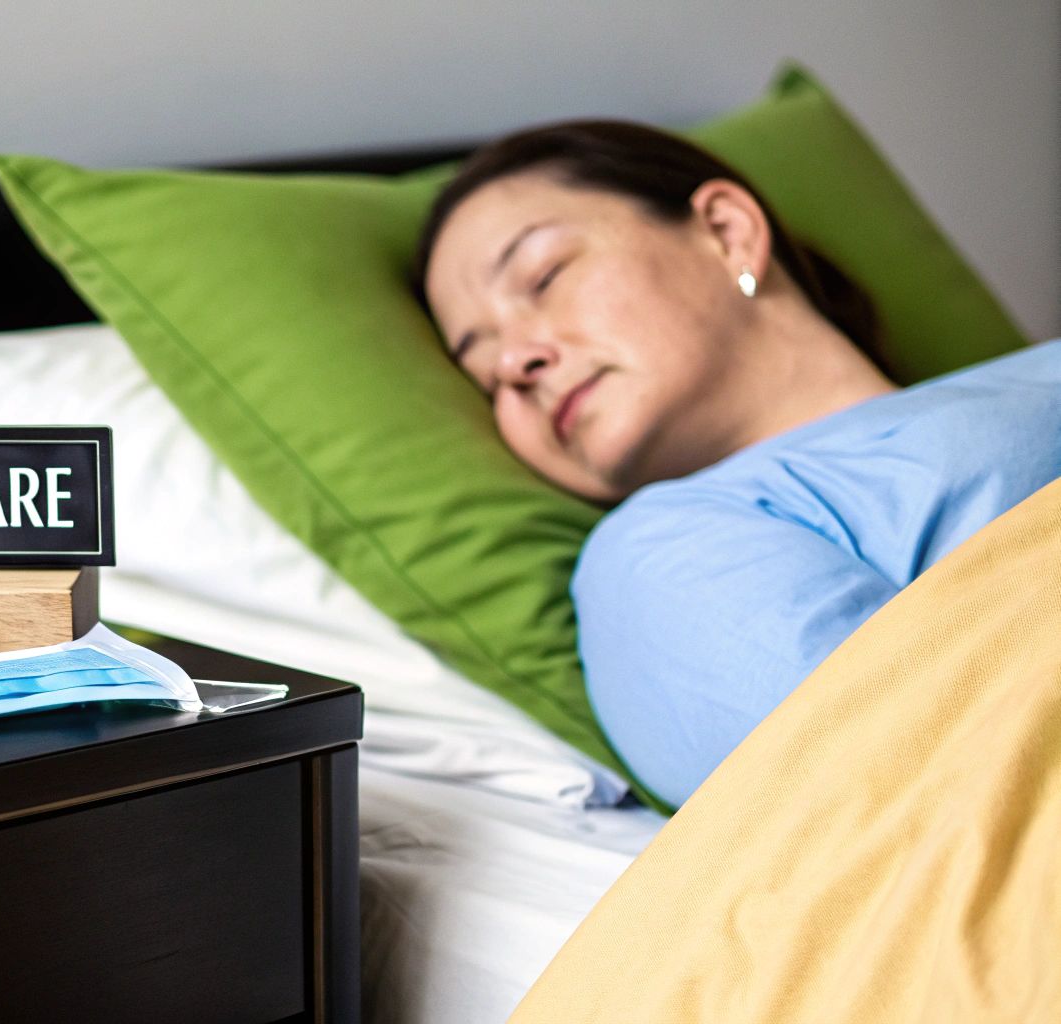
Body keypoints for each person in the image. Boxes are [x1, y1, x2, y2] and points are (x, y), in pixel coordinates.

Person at [412, 120, 1061, 807]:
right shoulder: (661, 548)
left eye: (544, 277)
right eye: (484, 374)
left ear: (726, 231)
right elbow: (937, 787)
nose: (514, 362)